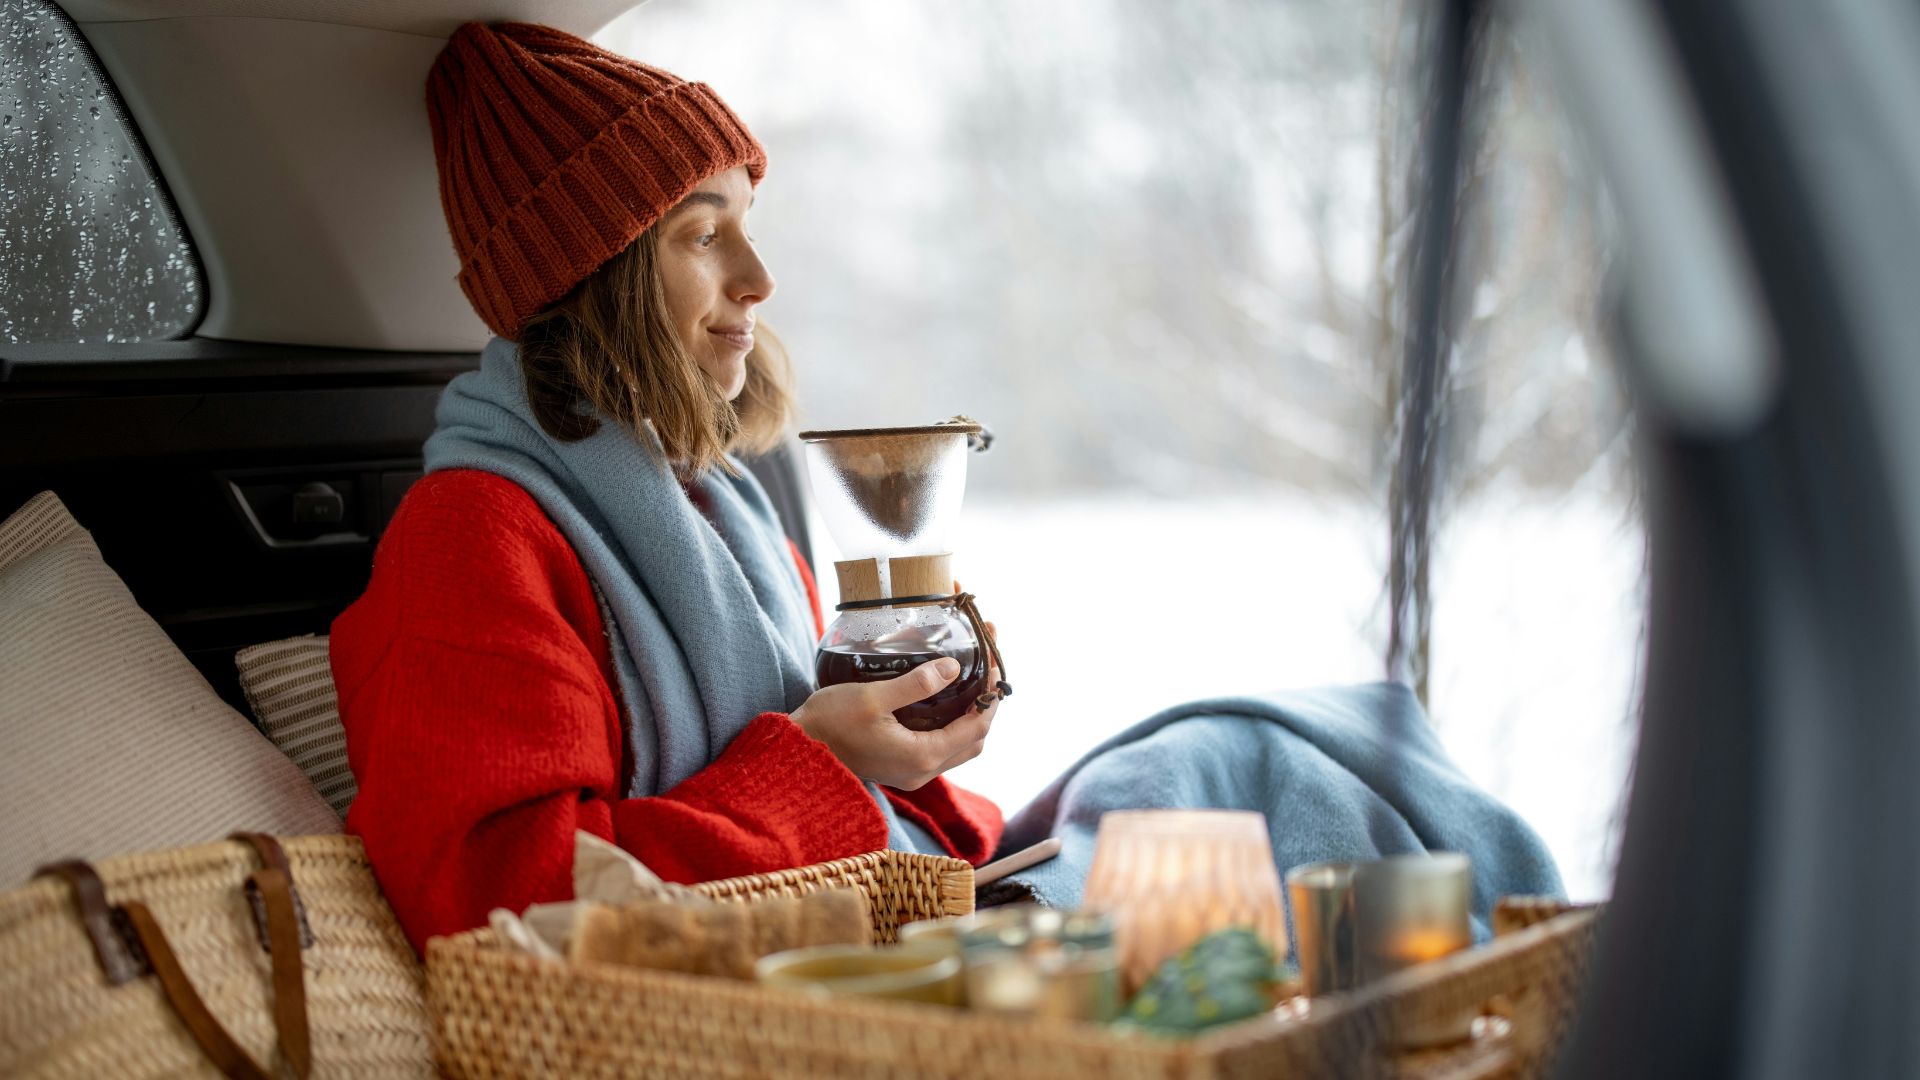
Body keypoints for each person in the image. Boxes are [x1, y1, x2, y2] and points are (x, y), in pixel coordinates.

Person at [332, 21, 1003, 953]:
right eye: (702, 234)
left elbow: (845, 789)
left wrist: (911, 726)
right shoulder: (470, 537)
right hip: (709, 1010)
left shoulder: (724, 502)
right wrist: (818, 763)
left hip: (856, 927)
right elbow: (502, 903)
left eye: (748, 229)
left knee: (1211, 760)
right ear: (593, 275)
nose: (759, 279)